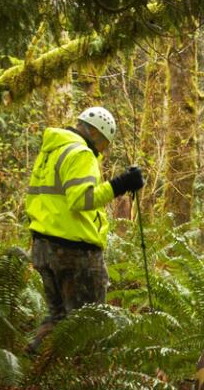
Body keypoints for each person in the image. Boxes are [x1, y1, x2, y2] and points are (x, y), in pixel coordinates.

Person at [25, 106, 143, 350]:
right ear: (96, 133)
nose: (102, 150)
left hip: (43, 248)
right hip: (73, 252)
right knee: (87, 325)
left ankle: (33, 374)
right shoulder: (80, 153)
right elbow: (81, 200)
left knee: (58, 319)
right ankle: (82, 381)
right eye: (104, 144)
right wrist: (121, 184)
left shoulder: (51, 152)